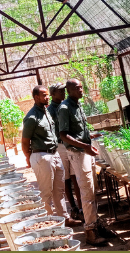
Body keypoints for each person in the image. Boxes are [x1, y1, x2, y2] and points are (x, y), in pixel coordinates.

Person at [21, 85, 82, 227]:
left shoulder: (46, 112)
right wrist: (28, 157)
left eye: (48, 95)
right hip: (42, 156)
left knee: (59, 191)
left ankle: (64, 219)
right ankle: (49, 222)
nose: (47, 97)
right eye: (44, 95)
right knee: (46, 192)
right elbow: (24, 142)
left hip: (54, 154)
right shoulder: (31, 117)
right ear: (36, 97)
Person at [57, 79, 107, 246]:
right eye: (77, 88)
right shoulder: (64, 108)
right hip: (78, 154)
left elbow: (78, 130)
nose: (81, 90)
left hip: (86, 152)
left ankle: (96, 224)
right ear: (69, 90)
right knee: (86, 192)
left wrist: (90, 137)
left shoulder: (77, 105)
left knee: (93, 191)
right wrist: (85, 145)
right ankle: (90, 231)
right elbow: (63, 135)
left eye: (81, 87)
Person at [47, 83, 84, 221]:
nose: (63, 93)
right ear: (53, 94)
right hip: (61, 145)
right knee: (66, 178)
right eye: (60, 91)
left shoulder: (67, 105)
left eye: (64, 91)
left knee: (75, 176)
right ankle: (74, 207)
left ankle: (81, 208)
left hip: (71, 144)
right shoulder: (51, 110)